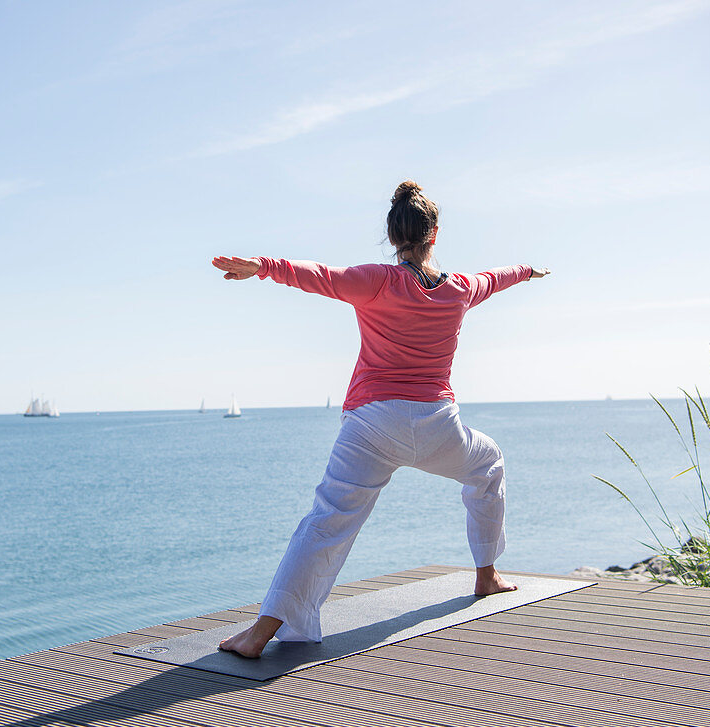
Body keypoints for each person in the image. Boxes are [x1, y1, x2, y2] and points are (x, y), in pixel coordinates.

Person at [211, 180, 549, 658]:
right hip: (437, 426)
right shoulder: (460, 289)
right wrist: (529, 270)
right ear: (435, 234)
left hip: (371, 427)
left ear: (393, 238)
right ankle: (487, 575)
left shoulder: (375, 281)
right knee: (488, 464)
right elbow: (498, 276)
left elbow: (317, 275)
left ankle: (259, 634)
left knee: (326, 523)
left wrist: (260, 267)